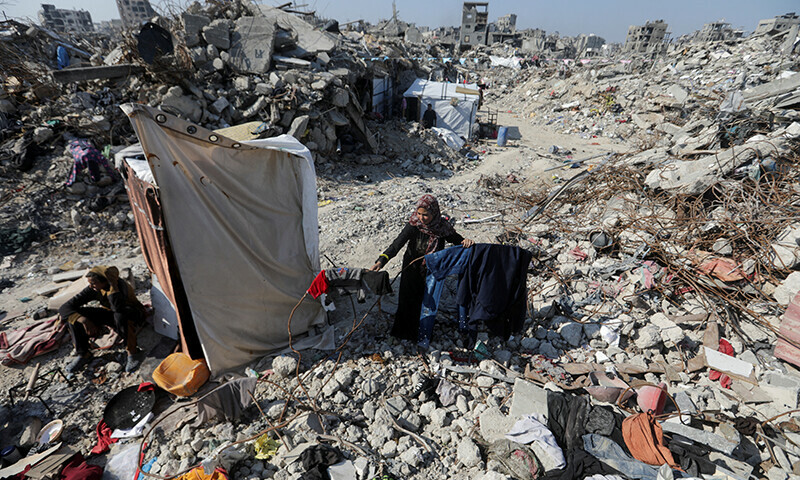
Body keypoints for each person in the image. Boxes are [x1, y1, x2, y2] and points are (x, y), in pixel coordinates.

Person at [371, 195, 474, 344]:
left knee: (426, 302)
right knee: (407, 300)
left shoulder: (442, 227)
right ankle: (402, 333)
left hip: (432, 271)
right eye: (419, 213)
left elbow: (458, 240)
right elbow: (396, 244)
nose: (421, 217)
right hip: (411, 268)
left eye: (425, 214)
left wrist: (466, 241)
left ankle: (423, 334)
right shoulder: (414, 225)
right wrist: (382, 260)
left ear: (434, 213)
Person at [59, 266, 145, 374]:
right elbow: (65, 308)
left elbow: (117, 308)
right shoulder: (95, 289)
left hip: (132, 314)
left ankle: (133, 352)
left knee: (120, 317)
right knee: (74, 316)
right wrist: (84, 320)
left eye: (94, 283)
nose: (91, 286)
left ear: (106, 281)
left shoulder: (121, 287)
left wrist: (113, 287)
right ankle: (84, 354)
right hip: (112, 313)